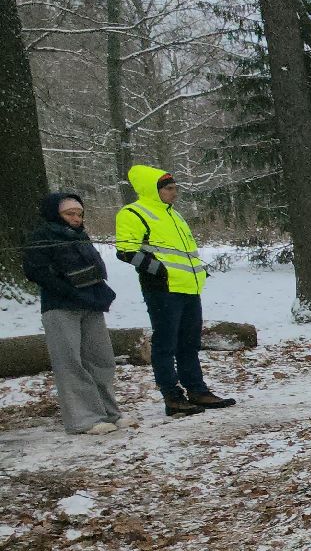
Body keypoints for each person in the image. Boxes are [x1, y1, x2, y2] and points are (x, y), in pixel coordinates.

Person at [115, 165, 235, 416]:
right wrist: (159, 271)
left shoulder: (174, 215)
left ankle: (197, 390)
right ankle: (172, 396)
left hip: (190, 287)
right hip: (162, 289)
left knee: (189, 343)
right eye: (169, 189)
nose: (174, 193)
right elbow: (125, 251)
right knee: (165, 344)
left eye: (174, 188)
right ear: (154, 190)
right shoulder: (133, 213)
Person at [22, 193, 122, 434]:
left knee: (101, 359)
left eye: (79, 213)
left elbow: (95, 268)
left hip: (91, 304)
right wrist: (69, 289)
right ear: (55, 214)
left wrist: (100, 291)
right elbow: (37, 272)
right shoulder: (41, 237)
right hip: (60, 306)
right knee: (70, 362)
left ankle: (109, 413)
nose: (76, 218)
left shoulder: (81, 236)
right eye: (70, 214)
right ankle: (84, 419)